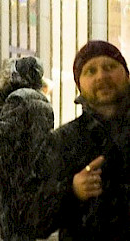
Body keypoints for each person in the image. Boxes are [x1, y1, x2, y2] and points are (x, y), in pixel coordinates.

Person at [28, 40, 130, 240]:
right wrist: (71, 191)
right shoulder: (62, 142)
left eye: (110, 67)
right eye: (91, 71)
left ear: (127, 76)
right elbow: (32, 220)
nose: (102, 76)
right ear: (79, 85)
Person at [0, 55, 53, 241]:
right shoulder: (45, 103)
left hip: (14, 177)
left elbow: (3, 138)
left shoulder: (17, 100)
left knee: (13, 231)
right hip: (34, 177)